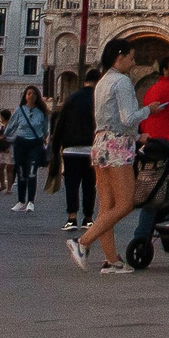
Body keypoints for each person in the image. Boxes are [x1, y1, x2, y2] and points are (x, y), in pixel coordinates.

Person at [68, 39, 150, 273]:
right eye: (132, 58)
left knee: (107, 207)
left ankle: (111, 260)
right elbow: (127, 118)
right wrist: (148, 110)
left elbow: (111, 118)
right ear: (120, 56)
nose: (133, 64)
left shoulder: (103, 82)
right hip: (117, 146)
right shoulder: (122, 81)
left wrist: (136, 137)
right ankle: (82, 242)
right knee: (125, 204)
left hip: (100, 143)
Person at [128, 50, 169, 253]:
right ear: (165, 70)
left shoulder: (152, 89)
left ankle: (142, 236)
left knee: (154, 189)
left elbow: (145, 118)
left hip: (153, 145)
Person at [55, 71, 97, 227]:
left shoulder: (71, 99)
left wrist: (55, 147)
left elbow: (60, 124)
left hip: (70, 150)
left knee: (72, 185)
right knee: (89, 184)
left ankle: (72, 218)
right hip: (91, 150)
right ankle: (88, 218)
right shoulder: (98, 99)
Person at [3, 85, 50, 211]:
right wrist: (5, 136)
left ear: (37, 97)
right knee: (22, 173)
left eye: (34, 94)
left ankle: (31, 201)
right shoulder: (19, 110)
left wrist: (44, 137)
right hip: (21, 143)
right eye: (29, 94)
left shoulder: (42, 112)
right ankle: (20, 200)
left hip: (35, 144)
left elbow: (46, 130)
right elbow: (10, 127)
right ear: (25, 96)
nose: (31, 96)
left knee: (32, 172)